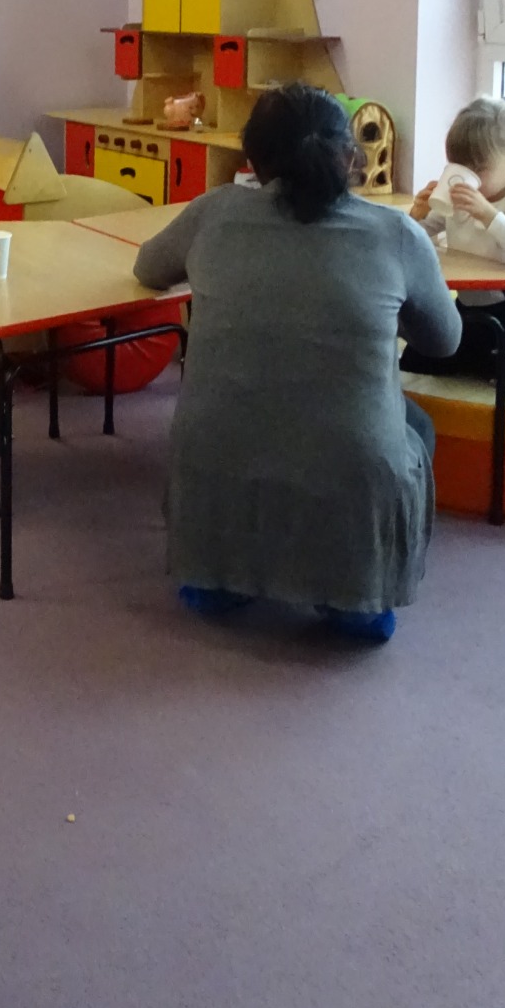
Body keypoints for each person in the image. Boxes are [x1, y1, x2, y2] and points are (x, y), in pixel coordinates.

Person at [133, 83, 462, 644]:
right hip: (350, 470)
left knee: (250, 430)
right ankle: (356, 590)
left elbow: (148, 268)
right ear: (351, 156)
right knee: (414, 426)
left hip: (213, 458)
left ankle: (220, 577)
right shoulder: (397, 234)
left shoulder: (214, 212)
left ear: (252, 161)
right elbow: (445, 340)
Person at [401, 95, 505, 404]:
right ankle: (493, 364)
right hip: (470, 308)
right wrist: (416, 215)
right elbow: (413, 240)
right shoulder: (455, 199)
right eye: (458, 165)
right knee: (412, 364)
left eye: (478, 168)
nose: (467, 176)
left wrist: (490, 215)